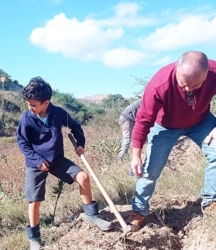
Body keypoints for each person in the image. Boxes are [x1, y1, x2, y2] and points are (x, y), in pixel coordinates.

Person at [16, 77, 112, 250]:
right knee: (34, 201)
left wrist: (80, 142)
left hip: (57, 160)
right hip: (35, 163)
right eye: (28, 104)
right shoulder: (26, 118)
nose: (30, 108)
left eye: (33, 105)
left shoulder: (58, 113)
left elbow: (75, 126)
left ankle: (91, 215)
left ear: (46, 102)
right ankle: (35, 239)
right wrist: (37, 161)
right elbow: (22, 142)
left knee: (83, 176)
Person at [127, 51, 216, 232]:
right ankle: (139, 211)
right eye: (183, 84)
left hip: (201, 121)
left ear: (207, 74)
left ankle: (210, 202)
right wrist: (136, 154)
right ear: (177, 69)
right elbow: (143, 120)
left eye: (195, 85)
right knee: (151, 169)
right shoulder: (160, 84)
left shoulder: (215, 71)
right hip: (165, 126)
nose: (187, 90)